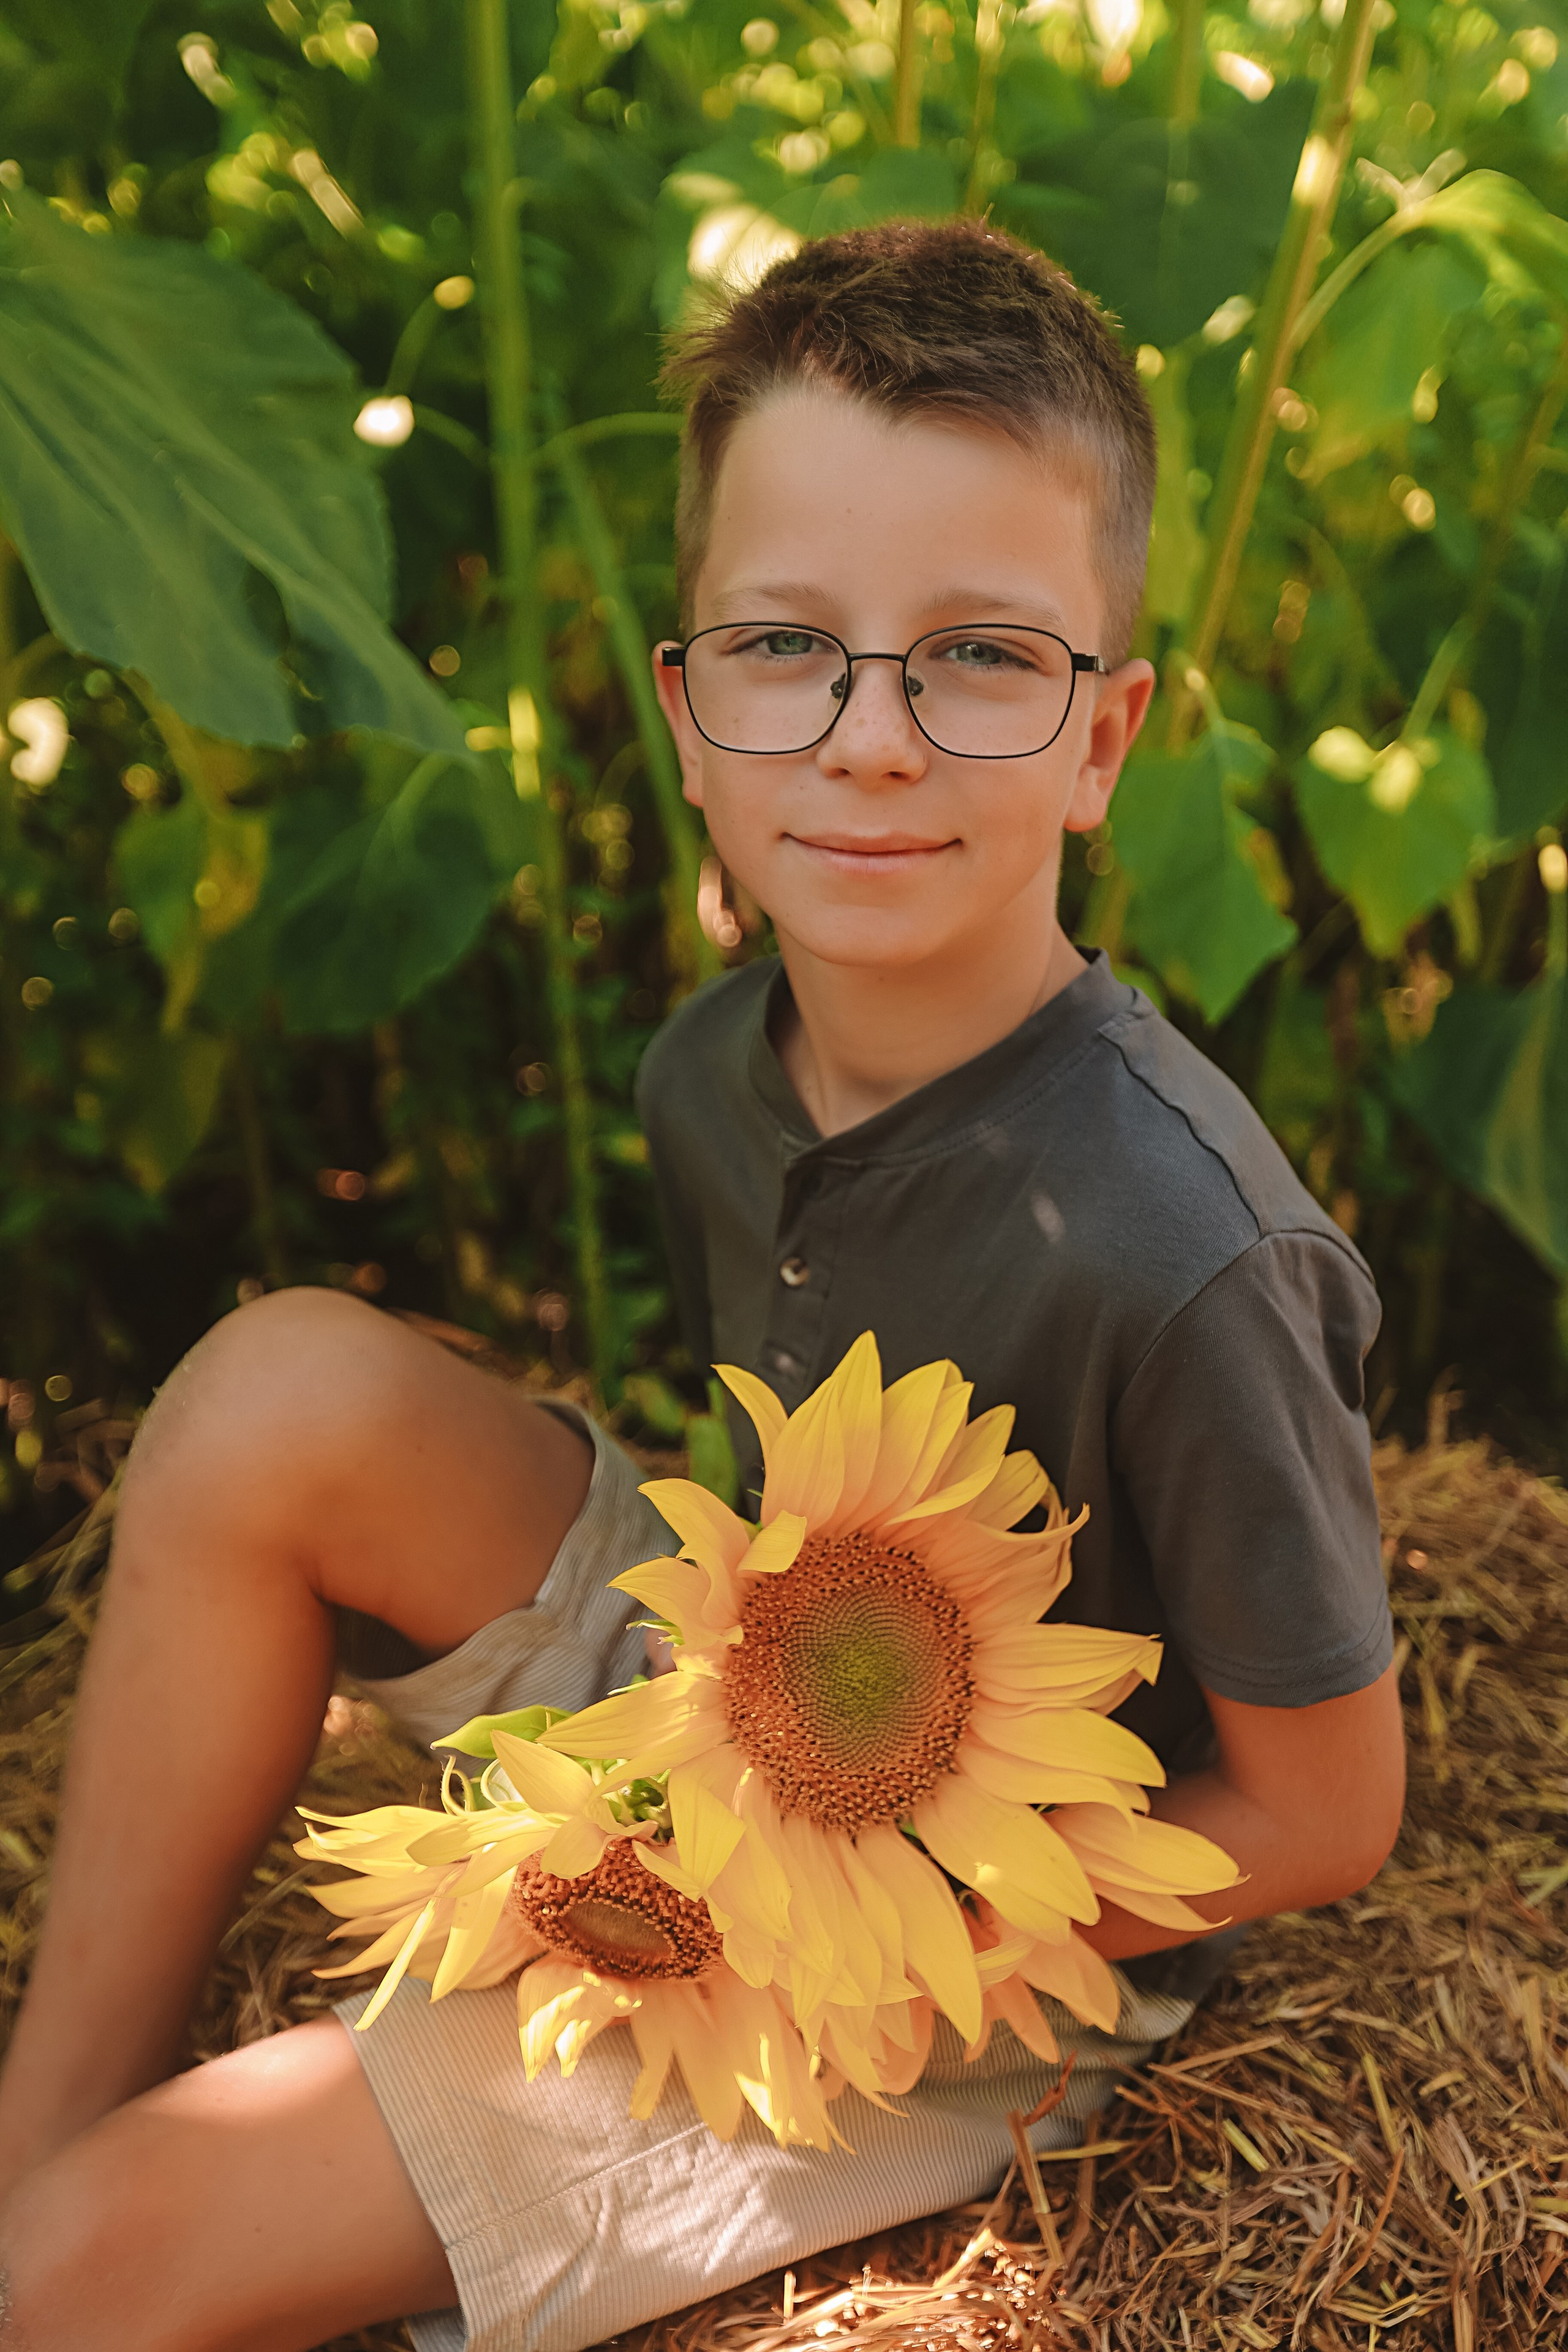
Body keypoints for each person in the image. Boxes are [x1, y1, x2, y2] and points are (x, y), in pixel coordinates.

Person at [0, 221, 1404, 2351]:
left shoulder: (1179, 1247)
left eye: (981, 656)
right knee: (277, 1385)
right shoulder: (707, 1073)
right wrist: (676, 1784)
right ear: (685, 711)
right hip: (760, 1695)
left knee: (110, 2268)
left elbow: (1328, 1806)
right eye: (785, 645)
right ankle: (38, 2144)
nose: (866, 740)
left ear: (1107, 737)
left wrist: (832, 1911)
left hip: (978, 1950)